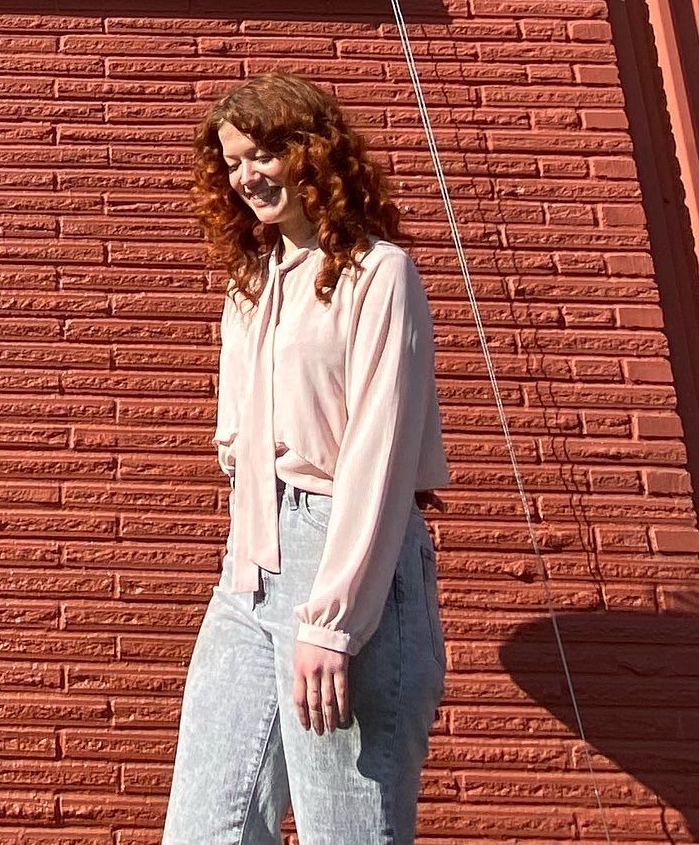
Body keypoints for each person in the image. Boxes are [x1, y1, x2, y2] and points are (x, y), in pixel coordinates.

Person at [162, 73, 448, 845]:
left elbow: (380, 455)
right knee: (204, 829)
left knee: (346, 830)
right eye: (232, 161)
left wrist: (333, 620)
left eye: (263, 153)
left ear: (314, 153)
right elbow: (237, 439)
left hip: (349, 561)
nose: (247, 175)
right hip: (248, 572)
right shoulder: (249, 285)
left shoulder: (378, 274)